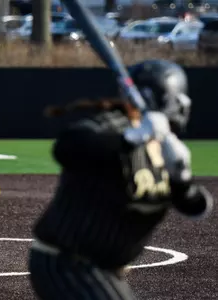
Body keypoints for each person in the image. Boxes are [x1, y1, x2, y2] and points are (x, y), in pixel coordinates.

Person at [28, 59, 214, 299]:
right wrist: (130, 139)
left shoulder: (168, 149)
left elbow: (196, 208)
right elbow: (66, 147)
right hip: (65, 262)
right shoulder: (113, 126)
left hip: (103, 271)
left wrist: (182, 178)